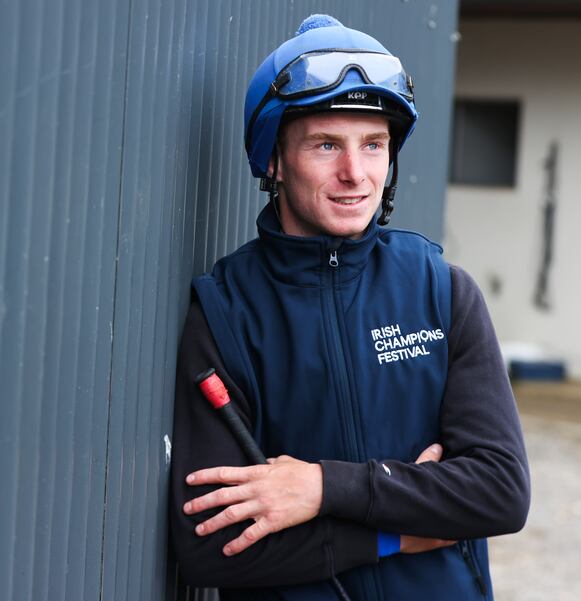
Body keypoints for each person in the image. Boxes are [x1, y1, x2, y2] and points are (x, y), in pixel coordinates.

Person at [170, 14, 530, 600]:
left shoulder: (442, 292)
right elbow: (213, 546)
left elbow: (500, 492)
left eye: (374, 145)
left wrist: (320, 488)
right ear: (274, 161)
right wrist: (398, 534)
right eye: (326, 145)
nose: (355, 174)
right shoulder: (226, 313)